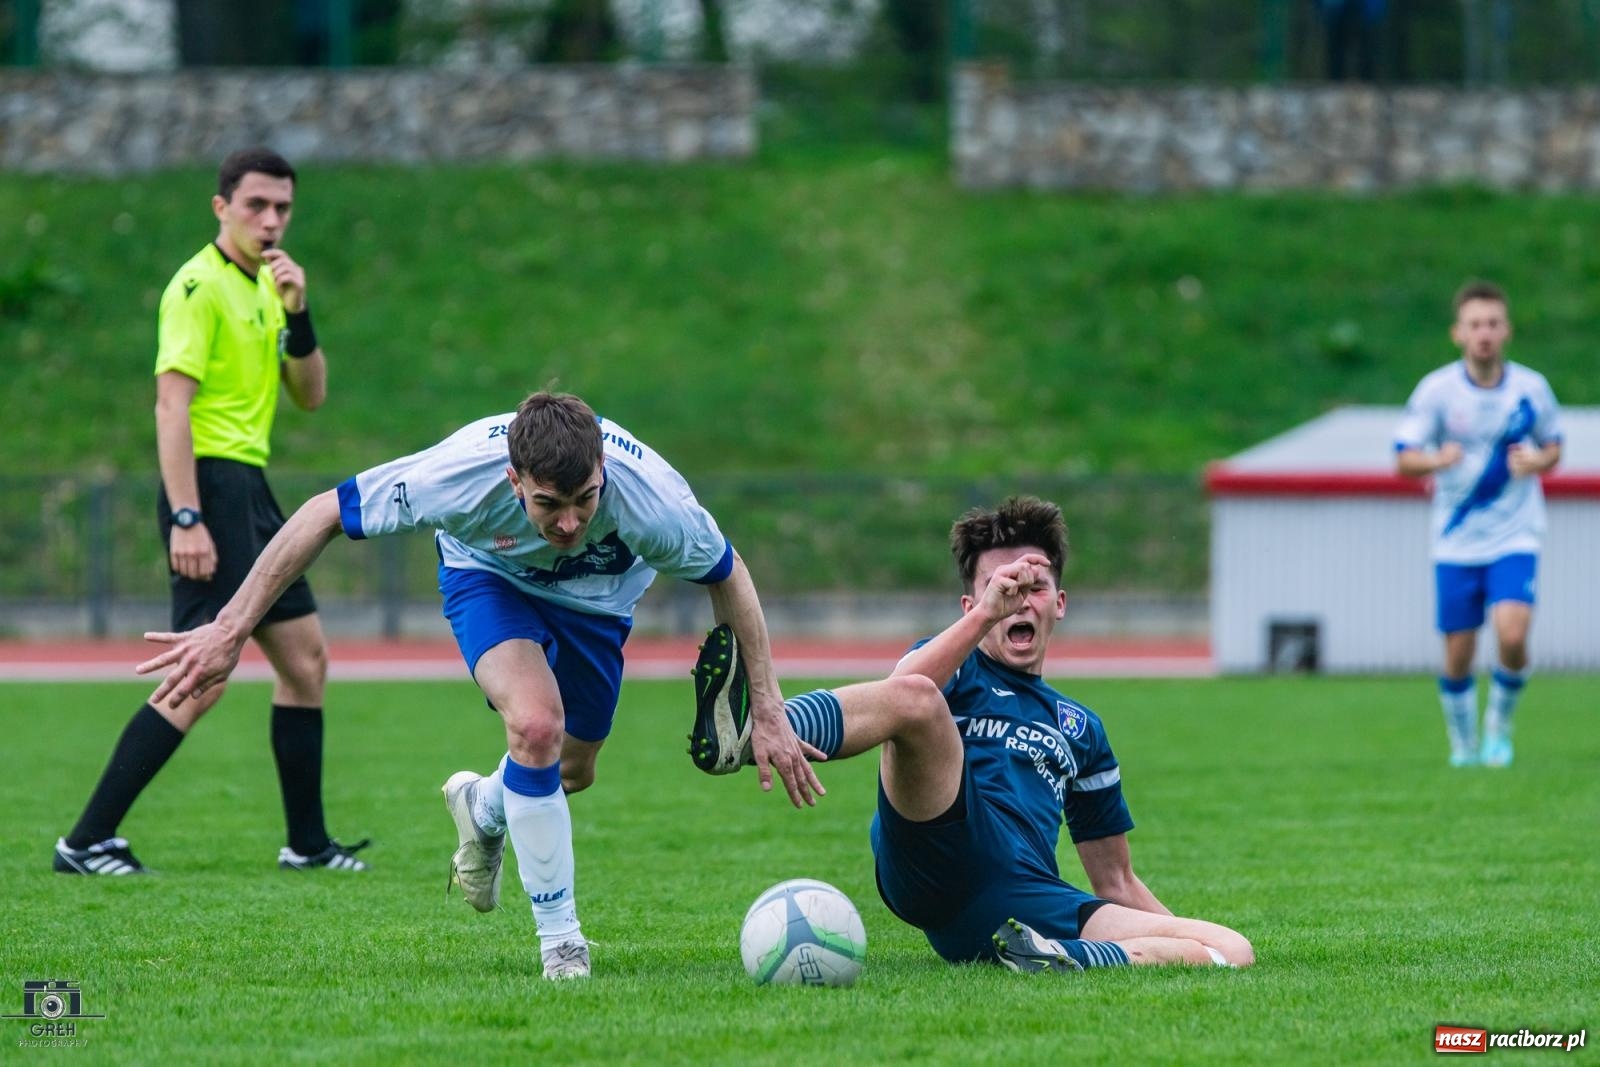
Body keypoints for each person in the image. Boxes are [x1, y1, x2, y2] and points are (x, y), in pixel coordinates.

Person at [136, 391, 824, 980]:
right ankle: (562, 945)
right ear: (512, 478)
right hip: (486, 577)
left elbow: (728, 574)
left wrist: (768, 707)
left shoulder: (654, 502)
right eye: (548, 503)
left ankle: (484, 803)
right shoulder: (453, 477)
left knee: (572, 770)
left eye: (585, 500)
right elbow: (322, 513)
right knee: (535, 728)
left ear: (603, 471)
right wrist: (229, 629)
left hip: (599, 603)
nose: (569, 522)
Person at [691, 496, 1254, 972]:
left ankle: (1059, 958)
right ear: (971, 604)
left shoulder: (1081, 728)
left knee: (1230, 948)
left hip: (1023, 901)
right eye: (999, 588)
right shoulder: (953, 663)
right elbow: (896, 697)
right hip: (937, 856)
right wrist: (984, 618)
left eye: (1033, 586)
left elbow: (1117, 881)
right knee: (917, 698)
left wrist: (1170, 936)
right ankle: (752, 730)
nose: (1017, 599)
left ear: (1058, 603)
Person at [54, 147, 367, 877]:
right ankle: (86, 839)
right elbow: (171, 405)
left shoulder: (266, 286)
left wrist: (301, 310)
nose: (271, 219)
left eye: (282, 207)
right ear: (220, 206)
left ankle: (308, 844)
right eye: (256, 205)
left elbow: (312, 395)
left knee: (307, 663)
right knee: (203, 673)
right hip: (211, 490)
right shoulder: (197, 285)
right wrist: (186, 517)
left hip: (251, 490)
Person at [1395, 280, 1563, 768]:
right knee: (1459, 653)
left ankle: (1499, 728)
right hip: (1456, 540)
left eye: (1492, 323)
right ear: (1458, 333)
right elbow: (1403, 458)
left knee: (1513, 634)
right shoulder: (1437, 391)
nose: (1484, 333)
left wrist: (1539, 461)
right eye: (1474, 325)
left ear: (1506, 330)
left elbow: (1554, 446)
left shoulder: (1530, 389)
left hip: (1516, 531)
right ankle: (1463, 741)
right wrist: (1434, 460)